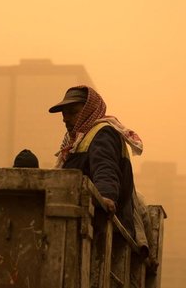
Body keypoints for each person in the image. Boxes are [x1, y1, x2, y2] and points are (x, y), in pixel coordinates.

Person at [49, 85, 143, 237]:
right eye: (64, 114)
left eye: (73, 112)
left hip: (103, 231)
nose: (66, 119)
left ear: (89, 111)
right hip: (81, 225)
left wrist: (105, 196)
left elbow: (105, 168)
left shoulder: (103, 133)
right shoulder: (75, 142)